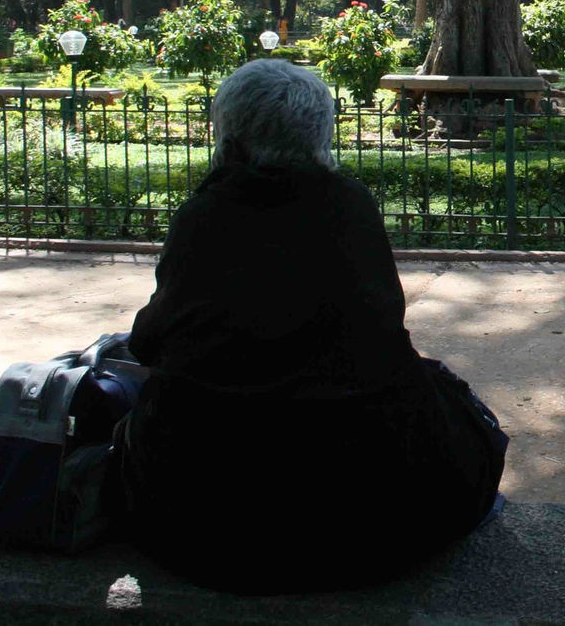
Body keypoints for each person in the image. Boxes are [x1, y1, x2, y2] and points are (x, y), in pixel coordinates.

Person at [114, 59, 506, 593]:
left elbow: (149, 342)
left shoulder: (206, 214)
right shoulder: (350, 205)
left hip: (205, 518)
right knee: (449, 403)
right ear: (320, 132)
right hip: (367, 511)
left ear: (230, 136)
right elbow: (376, 326)